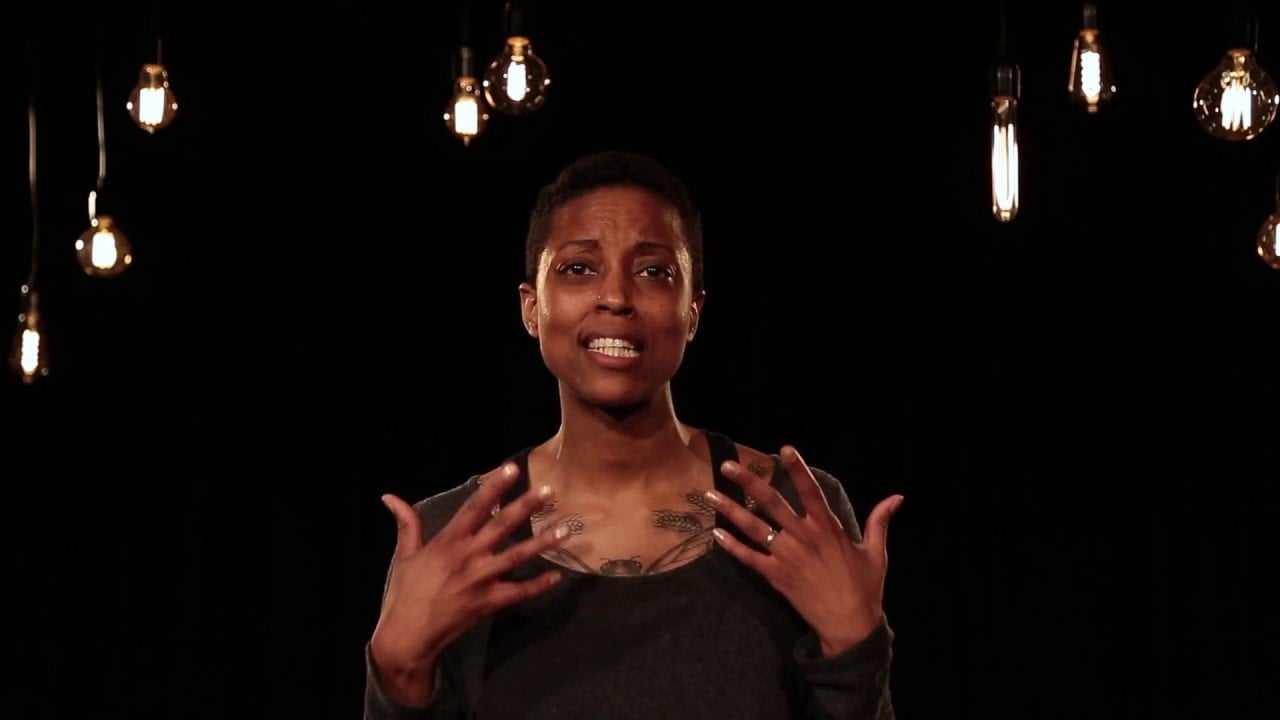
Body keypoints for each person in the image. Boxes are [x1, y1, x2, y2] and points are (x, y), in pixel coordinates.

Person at [363, 151, 901, 719]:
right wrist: (396, 670)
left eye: (653, 271)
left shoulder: (792, 512)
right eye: (578, 268)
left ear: (692, 313)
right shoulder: (452, 540)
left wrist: (856, 651)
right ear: (531, 308)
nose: (616, 297)